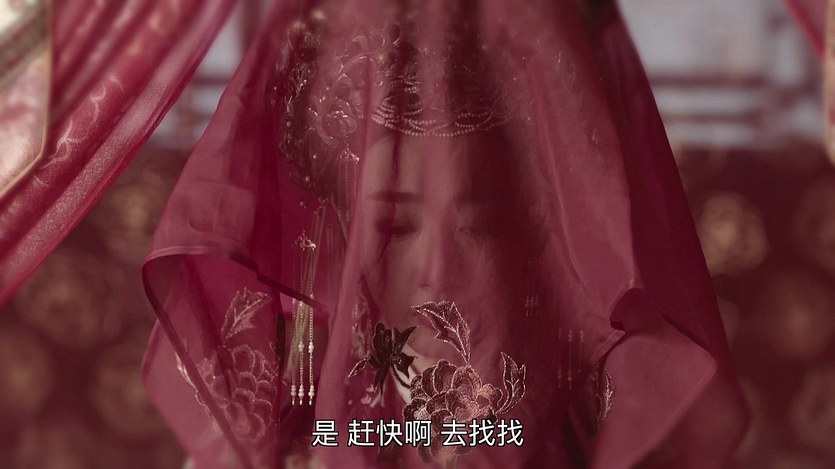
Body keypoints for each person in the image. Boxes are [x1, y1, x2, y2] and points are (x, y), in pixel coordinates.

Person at [141, 0, 747, 467]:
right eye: (394, 226)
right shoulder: (272, 436)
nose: (439, 270)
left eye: (482, 226)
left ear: (539, 236)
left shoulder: (605, 426)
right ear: (338, 224)